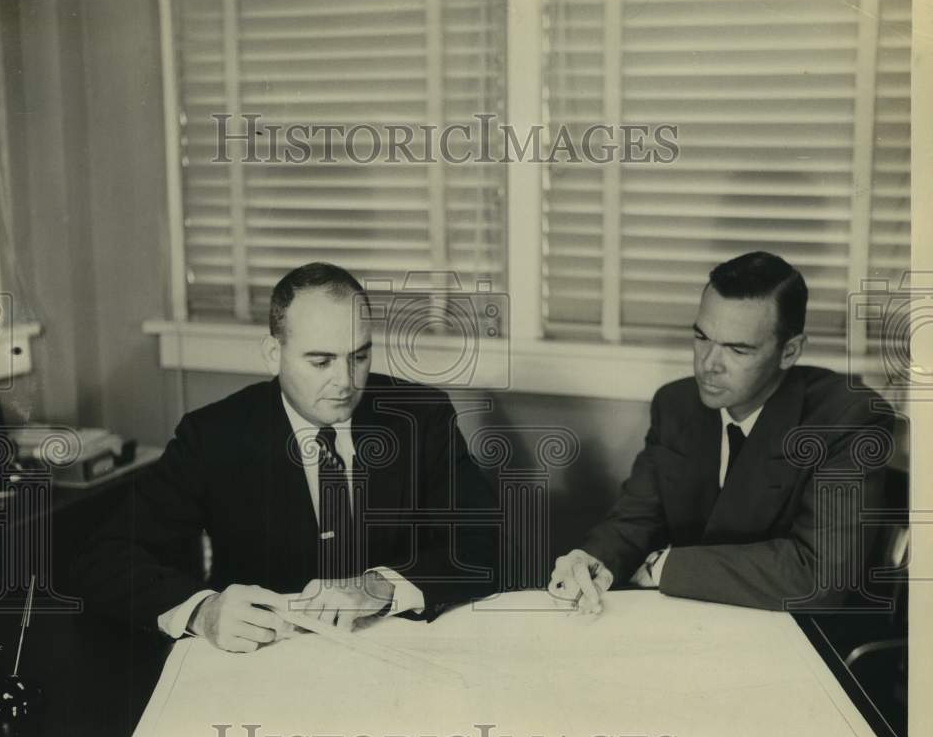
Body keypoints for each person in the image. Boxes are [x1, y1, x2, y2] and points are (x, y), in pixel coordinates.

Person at [73, 263, 498, 652]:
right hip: (263, 662)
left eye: (360, 356)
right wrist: (203, 612)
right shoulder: (215, 435)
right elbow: (105, 557)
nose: (345, 382)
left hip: (397, 657)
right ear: (273, 354)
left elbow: (491, 541)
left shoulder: (420, 417)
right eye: (320, 361)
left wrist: (382, 586)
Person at [549, 251, 893, 613]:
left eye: (737, 349)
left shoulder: (847, 418)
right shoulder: (676, 404)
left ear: (789, 352)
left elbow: (820, 576)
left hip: (798, 639)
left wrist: (664, 567)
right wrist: (594, 560)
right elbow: (635, 520)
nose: (708, 364)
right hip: (695, 625)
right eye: (702, 337)